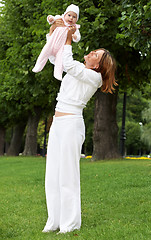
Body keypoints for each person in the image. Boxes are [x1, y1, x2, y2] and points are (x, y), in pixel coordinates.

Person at [42, 21, 117, 234]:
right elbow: (56, 59)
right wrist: (55, 33)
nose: (92, 52)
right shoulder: (79, 70)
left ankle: (70, 224)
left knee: (68, 174)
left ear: (97, 65)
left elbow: (67, 61)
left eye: (96, 54)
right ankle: (53, 221)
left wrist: (68, 38)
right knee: (53, 174)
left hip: (71, 125)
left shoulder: (93, 77)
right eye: (94, 51)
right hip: (57, 125)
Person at [32, 4, 81, 80]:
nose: (71, 18)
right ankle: (38, 66)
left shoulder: (74, 28)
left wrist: (74, 36)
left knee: (60, 60)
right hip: (52, 43)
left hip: (61, 47)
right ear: (65, 15)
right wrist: (50, 19)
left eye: (74, 17)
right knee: (44, 53)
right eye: (69, 15)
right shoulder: (60, 19)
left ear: (76, 19)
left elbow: (78, 38)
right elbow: (51, 19)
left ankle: (58, 74)